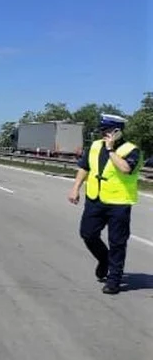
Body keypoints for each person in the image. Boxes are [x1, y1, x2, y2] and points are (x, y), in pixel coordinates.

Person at [68, 114, 143, 294]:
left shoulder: (132, 150)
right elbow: (85, 167)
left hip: (119, 202)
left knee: (117, 242)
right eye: (102, 130)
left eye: (107, 130)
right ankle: (104, 259)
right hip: (95, 199)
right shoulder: (95, 146)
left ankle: (114, 280)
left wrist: (110, 150)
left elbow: (125, 169)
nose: (103, 134)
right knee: (88, 234)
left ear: (117, 131)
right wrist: (75, 188)